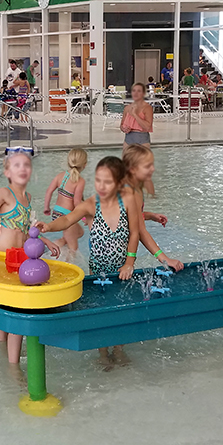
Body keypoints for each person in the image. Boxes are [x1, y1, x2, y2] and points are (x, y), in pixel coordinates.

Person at [36, 156, 140, 368]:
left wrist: (129, 262)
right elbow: (68, 219)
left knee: (122, 309)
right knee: (101, 312)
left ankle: (119, 349)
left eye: (108, 182)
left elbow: (135, 232)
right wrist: (48, 227)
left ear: (120, 182)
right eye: (98, 180)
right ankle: (103, 352)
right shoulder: (92, 204)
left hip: (122, 270)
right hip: (99, 269)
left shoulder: (128, 201)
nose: (101, 186)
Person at [0, 149, 60, 369]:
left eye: (26, 165)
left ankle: (7, 357)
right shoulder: (4, 193)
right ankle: (10, 364)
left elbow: (26, 228)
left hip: (22, 260)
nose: (22, 168)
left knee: (12, 309)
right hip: (4, 260)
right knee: (10, 310)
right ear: (7, 172)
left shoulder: (28, 197)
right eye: (16, 165)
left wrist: (46, 241)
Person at [122, 145, 183, 272]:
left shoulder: (124, 184)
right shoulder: (133, 192)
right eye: (147, 166)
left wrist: (149, 216)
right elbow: (140, 231)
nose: (153, 169)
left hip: (101, 252)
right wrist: (165, 259)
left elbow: (124, 217)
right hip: (117, 253)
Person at [43, 148, 88, 256]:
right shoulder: (80, 181)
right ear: (85, 165)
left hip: (56, 213)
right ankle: (69, 267)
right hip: (68, 215)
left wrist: (46, 207)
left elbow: (49, 192)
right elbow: (77, 202)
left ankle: (57, 244)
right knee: (74, 248)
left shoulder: (61, 175)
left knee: (79, 233)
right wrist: (84, 217)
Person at [120, 82, 155, 196]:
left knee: (145, 172)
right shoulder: (127, 108)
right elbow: (121, 125)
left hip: (142, 139)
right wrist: (124, 128)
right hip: (129, 138)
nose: (136, 93)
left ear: (143, 93)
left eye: (139, 91)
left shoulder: (147, 108)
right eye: (134, 90)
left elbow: (147, 126)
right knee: (125, 170)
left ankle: (153, 197)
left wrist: (135, 115)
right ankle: (128, 195)